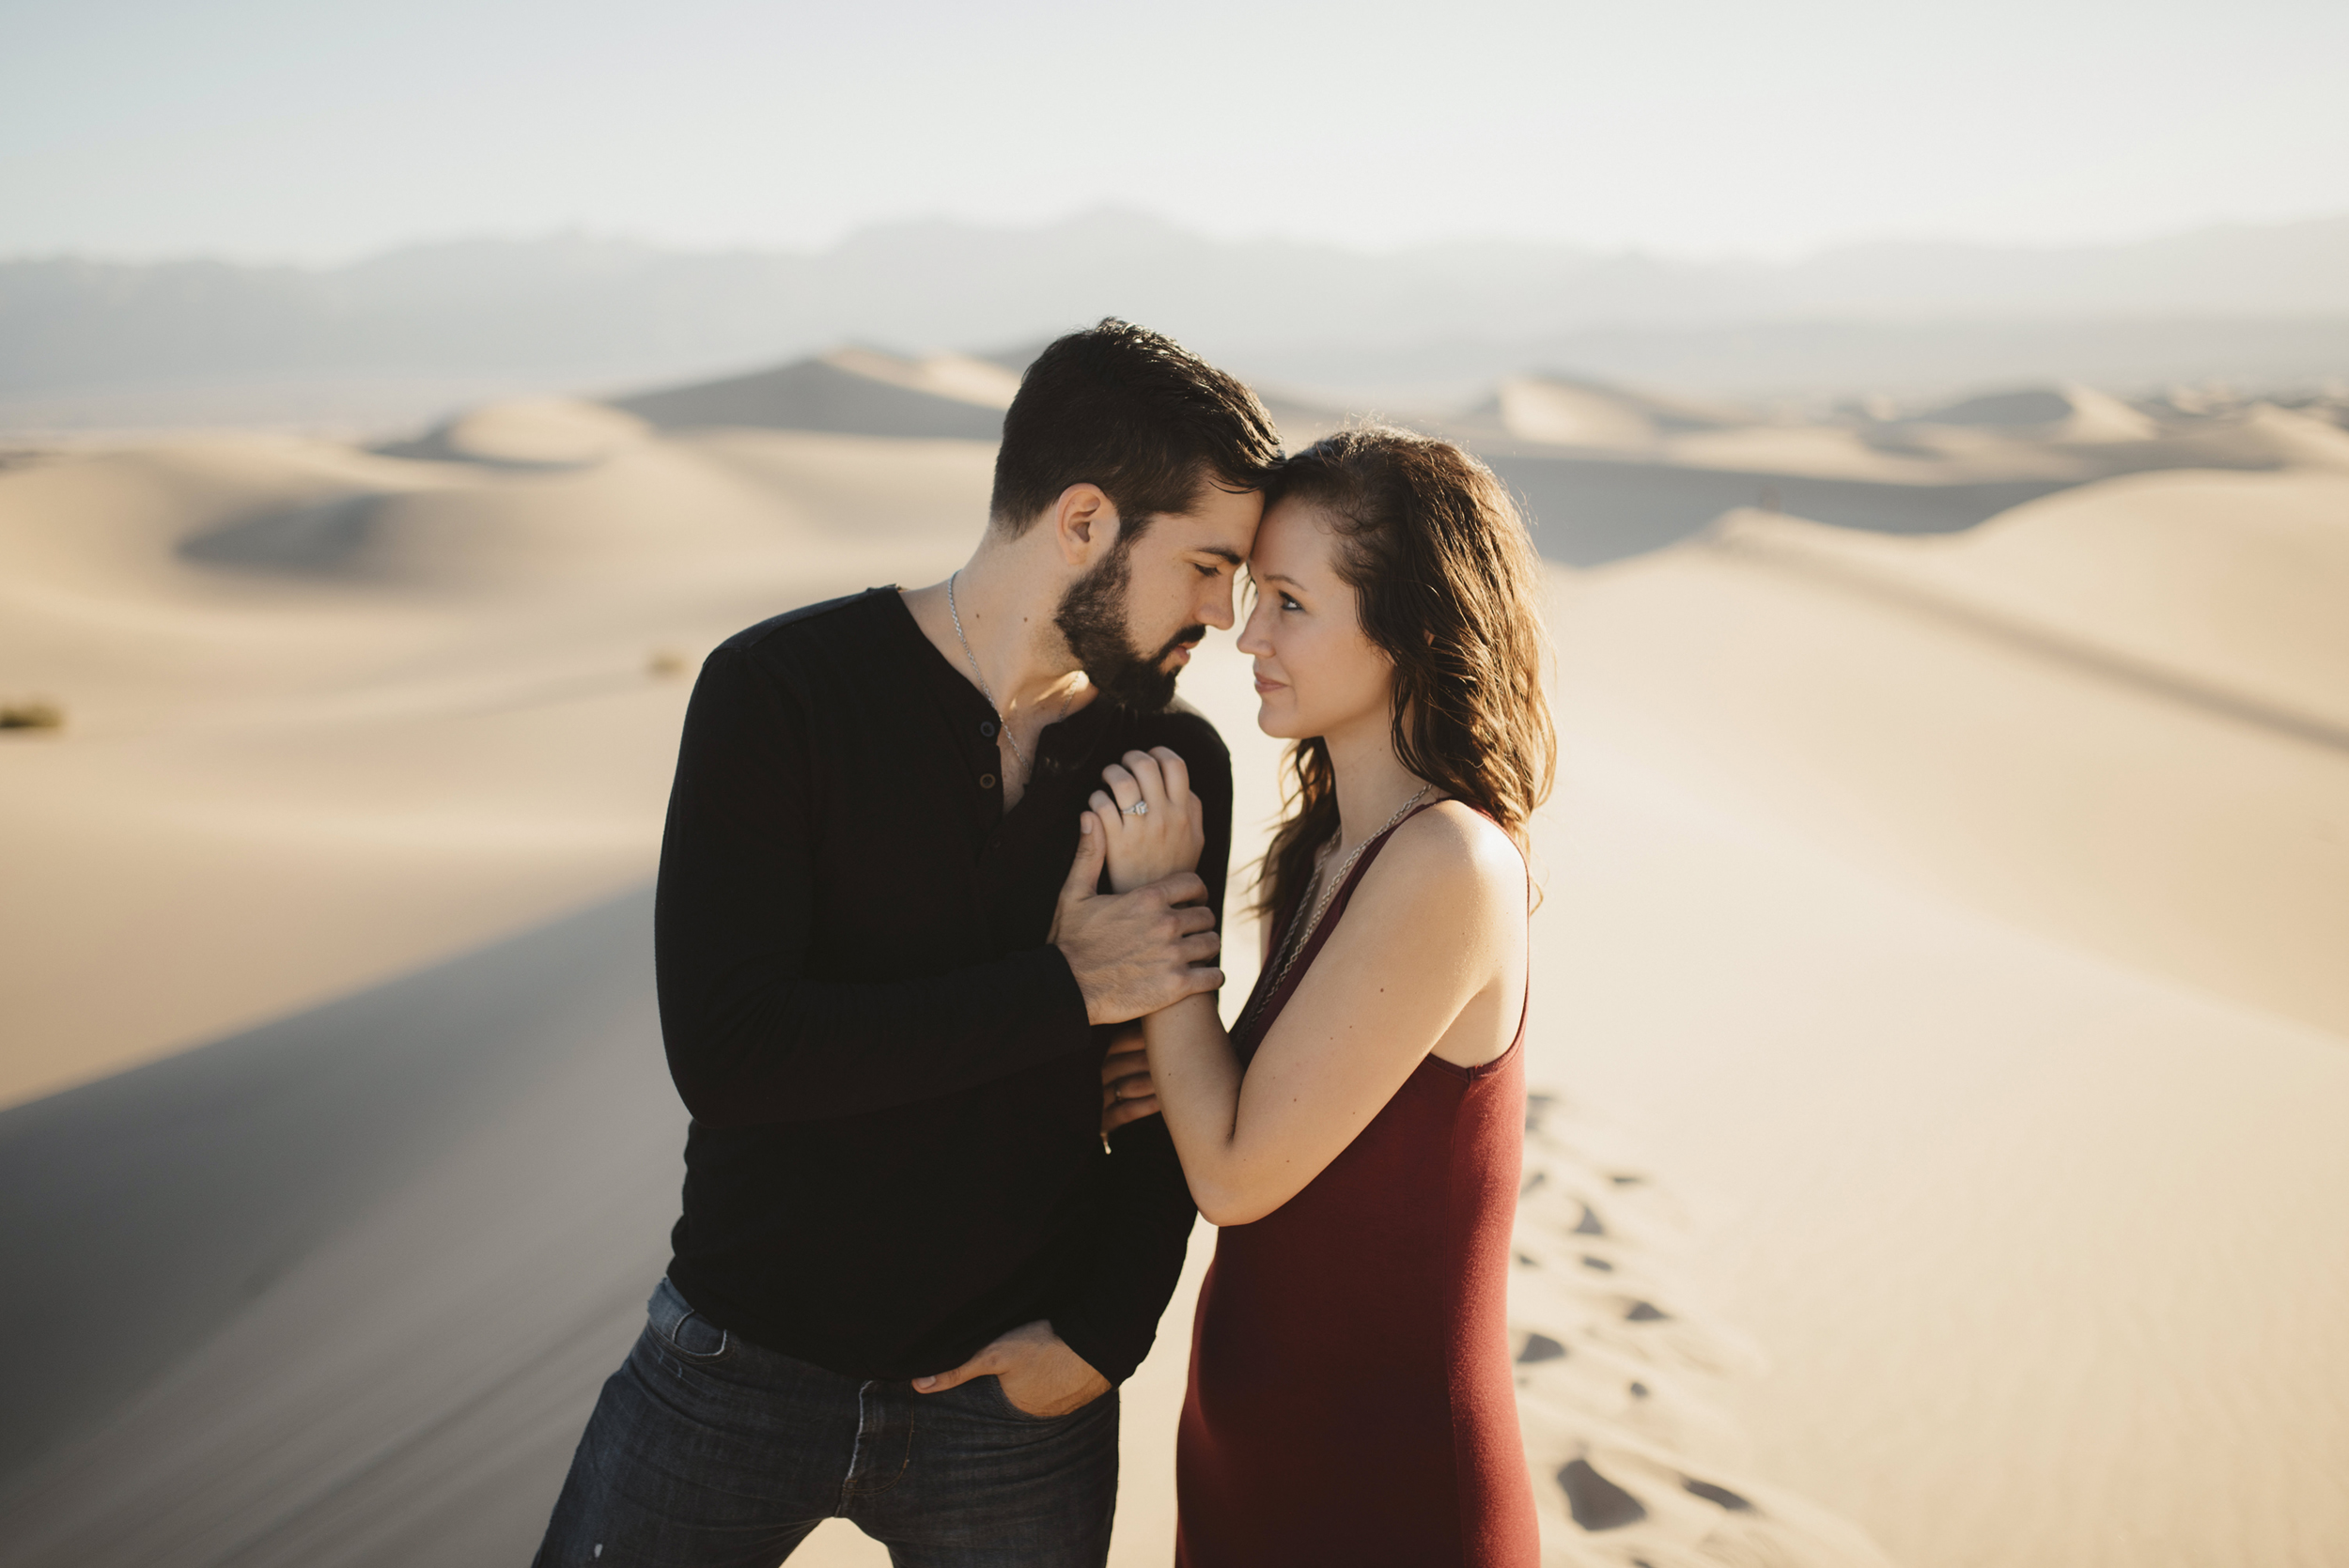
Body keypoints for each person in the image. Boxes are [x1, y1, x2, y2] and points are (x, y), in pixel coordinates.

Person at [531, 320, 1283, 1568]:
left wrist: (1103, 1339)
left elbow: (1163, 1090)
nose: (1225, 613)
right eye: (1207, 564)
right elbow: (733, 1054)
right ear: (1086, 522)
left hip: (1011, 1404)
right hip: (733, 1367)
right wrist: (1064, 988)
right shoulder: (779, 694)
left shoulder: (1171, 762)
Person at [1077, 427, 1554, 1565]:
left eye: (1290, 602)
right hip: (1251, 1464)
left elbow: (1236, 1169)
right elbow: (1210, 1106)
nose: (1247, 635)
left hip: (1388, 1496)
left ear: (1412, 628)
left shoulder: (1448, 863)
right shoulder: (1329, 847)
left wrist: (1155, 905)